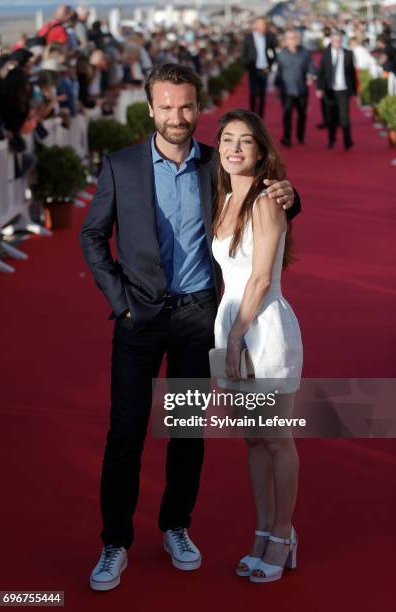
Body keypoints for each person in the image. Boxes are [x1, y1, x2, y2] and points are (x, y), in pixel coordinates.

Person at [80, 63, 300, 591]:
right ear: (150, 108)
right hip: (140, 322)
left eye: (186, 106)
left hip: (198, 320)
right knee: (126, 432)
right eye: (167, 106)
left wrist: (293, 195)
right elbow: (92, 236)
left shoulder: (215, 163)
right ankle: (115, 542)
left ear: (196, 108)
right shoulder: (121, 166)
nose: (177, 117)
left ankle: (176, 526)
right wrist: (122, 301)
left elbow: (265, 200)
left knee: (185, 431)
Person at [212, 109, 303, 583]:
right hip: (231, 327)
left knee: (276, 438)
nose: (234, 149)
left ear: (262, 150)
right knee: (252, 440)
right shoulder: (224, 197)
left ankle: (284, 534)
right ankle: (262, 531)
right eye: (227, 139)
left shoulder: (268, 201)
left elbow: (262, 277)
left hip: (262, 329)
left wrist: (234, 337)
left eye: (246, 141)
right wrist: (227, 336)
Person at [316, 31, 357, 150]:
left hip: (343, 90)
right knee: (331, 117)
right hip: (329, 90)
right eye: (334, 41)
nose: (337, 43)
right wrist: (319, 88)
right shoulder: (326, 54)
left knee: (344, 117)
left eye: (339, 41)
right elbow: (321, 72)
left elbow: (352, 73)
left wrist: (354, 91)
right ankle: (331, 139)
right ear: (331, 42)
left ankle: (347, 141)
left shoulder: (348, 54)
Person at [275, 30, 316, 147]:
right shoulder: (282, 54)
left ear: (298, 40)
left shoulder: (305, 53)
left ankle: (300, 135)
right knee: (287, 114)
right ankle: (286, 138)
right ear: (286, 41)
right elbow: (278, 72)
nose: (292, 40)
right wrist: (277, 87)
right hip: (287, 90)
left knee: (302, 114)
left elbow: (312, 67)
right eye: (290, 38)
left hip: (301, 89)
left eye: (294, 38)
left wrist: (311, 76)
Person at [242, 17, 277, 118]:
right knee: (253, 93)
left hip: (264, 70)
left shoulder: (269, 37)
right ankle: (252, 116)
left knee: (262, 95)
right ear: (255, 25)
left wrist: (269, 66)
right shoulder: (248, 37)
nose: (263, 27)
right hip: (253, 69)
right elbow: (244, 54)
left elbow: (273, 53)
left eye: (264, 24)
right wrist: (247, 66)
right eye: (261, 24)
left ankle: (260, 118)